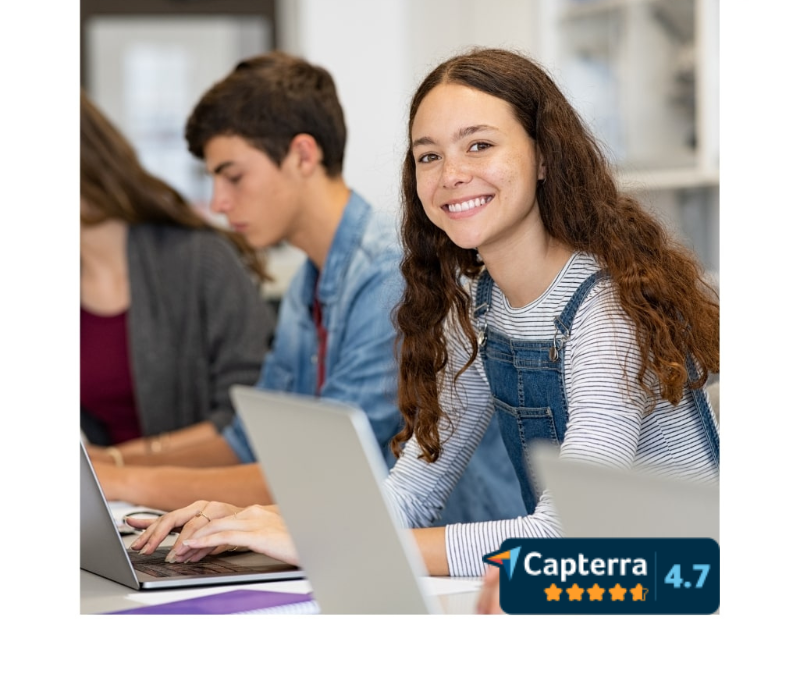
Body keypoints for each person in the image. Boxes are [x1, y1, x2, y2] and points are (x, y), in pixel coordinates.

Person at [129, 47, 719, 580]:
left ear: (544, 156)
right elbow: (410, 493)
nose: (451, 174)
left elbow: (569, 538)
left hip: (684, 599)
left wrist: (326, 540)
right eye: (428, 156)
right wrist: (254, 520)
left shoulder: (604, 311)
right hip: (593, 595)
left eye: (479, 145)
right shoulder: (477, 306)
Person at [98, 51, 526, 524]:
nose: (219, 202)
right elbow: (248, 440)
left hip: (453, 563)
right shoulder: (310, 280)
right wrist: (110, 462)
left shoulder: (392, 272)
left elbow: (322, 469)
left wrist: (117, 479)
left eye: (233, 176)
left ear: (303, 155)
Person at [80, 90, 274, 461]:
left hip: (198, 501)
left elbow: (248, 414)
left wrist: (119, 464)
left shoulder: (201, 260)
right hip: (108, 500)